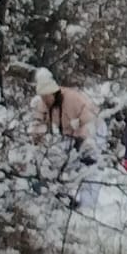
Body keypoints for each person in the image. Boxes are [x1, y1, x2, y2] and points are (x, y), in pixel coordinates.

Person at [30, 69, 102, 207]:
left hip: (87, 132)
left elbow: (91, 113)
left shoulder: (73, 98)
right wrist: (36, 137)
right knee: (63, 164)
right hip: (66, 135)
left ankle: (88, 202)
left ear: (54, 92)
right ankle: (67, 197)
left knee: (86, 165)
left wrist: (80, 123)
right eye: (43, 98)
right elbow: (38, 120)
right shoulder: (44, 103)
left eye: (47, 97)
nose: (45, 100)